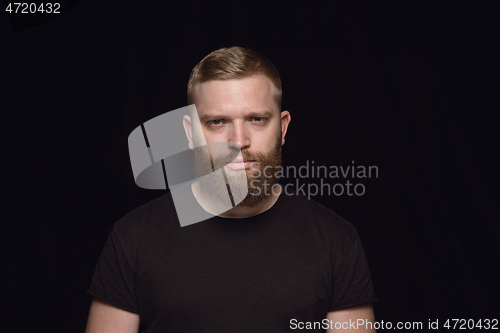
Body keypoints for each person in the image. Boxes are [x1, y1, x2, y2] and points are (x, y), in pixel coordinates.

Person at [85, 46, 377, 332]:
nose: (239, 140)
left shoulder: (335, 240)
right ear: (190, 133)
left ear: (283, 128)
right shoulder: (133, 238)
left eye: (257, 119)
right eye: (217, 122)